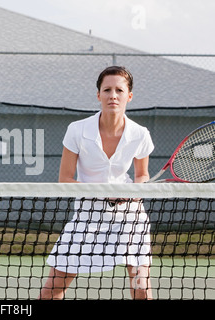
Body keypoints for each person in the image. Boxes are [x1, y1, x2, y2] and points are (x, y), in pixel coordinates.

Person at [38, 66, 155, 300]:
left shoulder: (140, 134)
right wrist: (103, 194)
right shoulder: (77, 130)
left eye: (119, 90)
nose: (113, 95)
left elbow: (142, 174)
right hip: (87, 217)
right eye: (107, 89)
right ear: (98, 95)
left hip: (130, 217)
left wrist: (134, 192)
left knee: (141, 288)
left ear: (128, 96)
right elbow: (65, 179)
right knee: (52, 290)